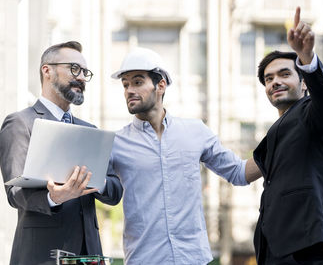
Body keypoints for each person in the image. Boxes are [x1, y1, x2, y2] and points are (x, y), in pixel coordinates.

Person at [109, 47, 261, 264]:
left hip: (193, 258)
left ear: (160, 85)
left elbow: (238, 172)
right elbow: (98, 188)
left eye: (137, 82)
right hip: (144, 259)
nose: (129, 90)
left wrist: (279, 146)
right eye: (125, 85)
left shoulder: (195, 131)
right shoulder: (115, 143)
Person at [0, 41, 122, 265]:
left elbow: (115, 190)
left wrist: (93, 180)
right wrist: (53, 197)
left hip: (89, 255)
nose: (82, 77)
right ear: (47, 70)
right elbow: (14, 192)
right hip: (42, 255)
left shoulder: (91, 131)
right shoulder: (20, 123)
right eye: (74, 69)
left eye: (85, 72)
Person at [252, 7, 323, 265]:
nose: (274, 82)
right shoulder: (277, 131)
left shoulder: (315, 114)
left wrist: (307, 57)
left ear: (303, 83)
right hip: (272, 250)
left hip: (306, 248)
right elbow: (246, 171)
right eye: (268, 79)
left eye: (284, 74)